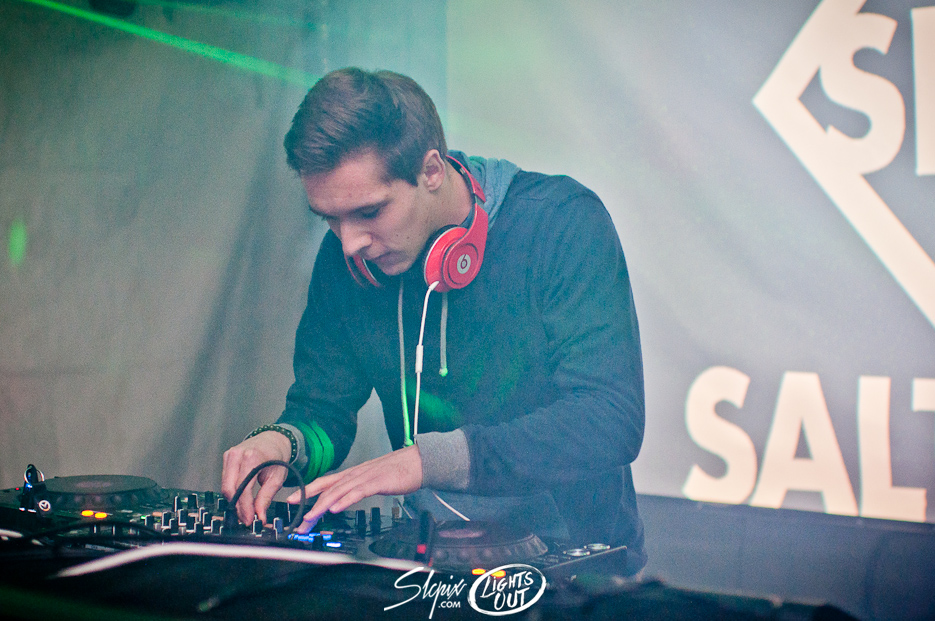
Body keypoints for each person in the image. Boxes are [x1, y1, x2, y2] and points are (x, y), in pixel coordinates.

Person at [221, 67, 647, 576]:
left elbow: (609, 418)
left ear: (430, 171)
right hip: (422, 566)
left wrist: (426, 461)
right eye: (330, 219)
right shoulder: (345, 262)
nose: (349, 243)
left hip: (572, 570)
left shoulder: (560, 224)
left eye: (369, 212)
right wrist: (284, 443)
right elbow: (323, 408)